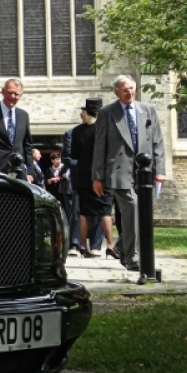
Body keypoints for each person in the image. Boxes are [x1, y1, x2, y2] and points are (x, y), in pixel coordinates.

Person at [92, 75, 166, 271]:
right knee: (132, 207)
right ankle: (133, 256)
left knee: (142, 212)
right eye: (125, 89)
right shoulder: (108, 113)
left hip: (144, 170)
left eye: (132, 88)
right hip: (119, 170)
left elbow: (157, 141)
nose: (129, 92)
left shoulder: (148, 110)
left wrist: (160, 170)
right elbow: (100, 145)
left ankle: (121, 247)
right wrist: (97, 176)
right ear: (117, 92)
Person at [67, 98, 109, 257]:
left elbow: (74, 154)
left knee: (83, 212)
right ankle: (103, 246)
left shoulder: (77, 131)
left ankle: (83, 246)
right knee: (102, 211)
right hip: (101, 175)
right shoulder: (104, 129)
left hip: (83, 175)